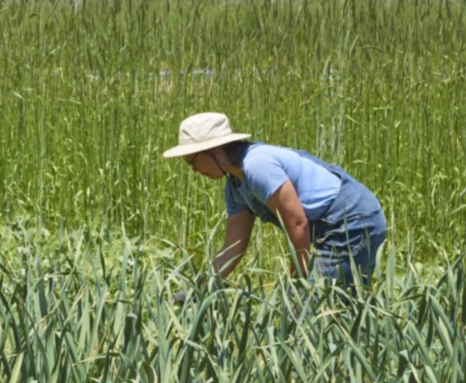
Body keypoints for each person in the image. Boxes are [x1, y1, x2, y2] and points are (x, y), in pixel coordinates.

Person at [163, 111, 387, 287]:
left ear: (214, 150)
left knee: (310, 313)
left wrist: (296, 283)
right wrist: (201, 287)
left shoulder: (257, 165)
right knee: (337, 312)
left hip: (354, 222)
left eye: (192, 161)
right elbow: (234, 247)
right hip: (331, 228)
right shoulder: (235, 185)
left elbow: (298, 224)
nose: (193, 170)